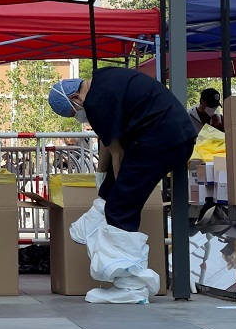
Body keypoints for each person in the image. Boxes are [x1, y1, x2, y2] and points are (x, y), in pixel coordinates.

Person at [48, 68, 197, 304]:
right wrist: (103, 180)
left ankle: (131, 286)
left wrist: (119, 190)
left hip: (160, 140)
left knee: (121, 207)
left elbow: (117, 156)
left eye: (75, 112)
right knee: (113, 191)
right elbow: (109, 143)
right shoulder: (104, 78)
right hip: (172, 134)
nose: (80, 116)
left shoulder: (95, 102)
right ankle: (96, 217)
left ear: (76, 97)